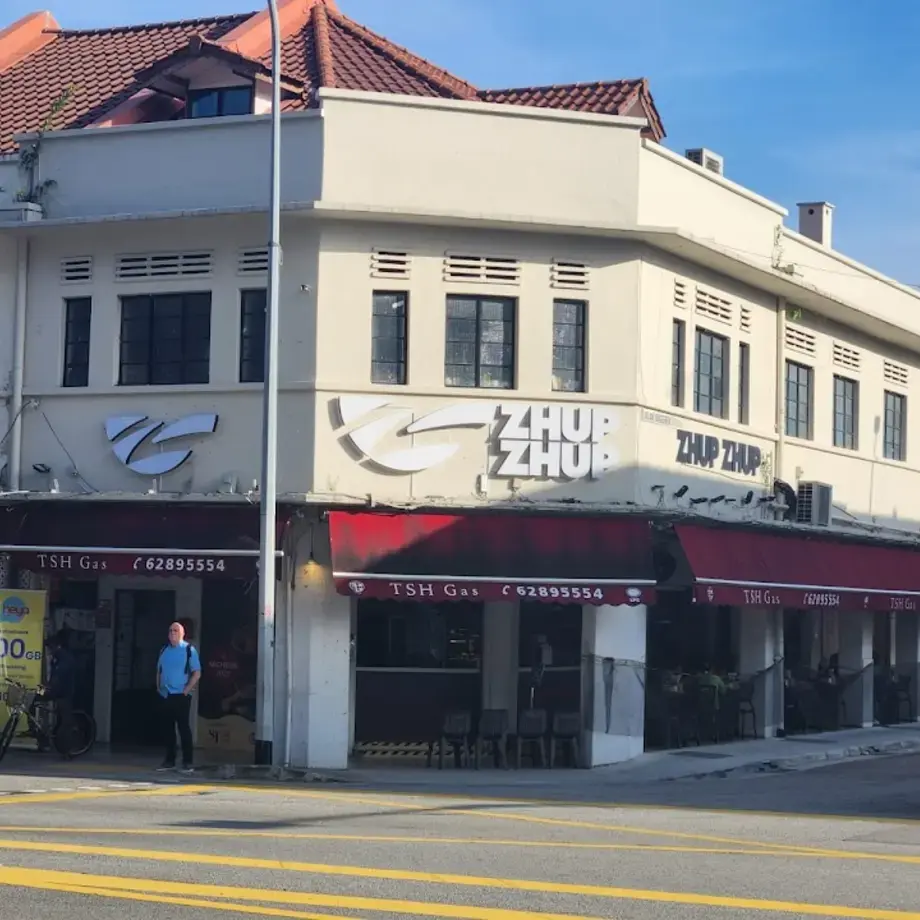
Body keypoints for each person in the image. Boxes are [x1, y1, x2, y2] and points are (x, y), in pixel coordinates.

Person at [156, 621, 201, 774]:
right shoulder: (164, 650)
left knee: (183, 728)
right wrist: (158, 686)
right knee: (167, 728)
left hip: (181, 695)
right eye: (170, 631)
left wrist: (187, 689)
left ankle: (188, 762)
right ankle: (169, 760)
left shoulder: (189, 649)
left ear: (182, 634)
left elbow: (197, 672)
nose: (172, 633)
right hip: (166, 694)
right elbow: (159, 670)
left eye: (175, 631)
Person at [42, 629, 76, 756]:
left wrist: (49, 687)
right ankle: (41, 736)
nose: (49, 650)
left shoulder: (65, 659)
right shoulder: (57, 658)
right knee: (33, 701)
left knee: (66, 723)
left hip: (63, 694)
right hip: (56, 691)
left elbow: (58, 677)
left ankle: (65, 750)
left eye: (50, 647)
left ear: (57, 646)